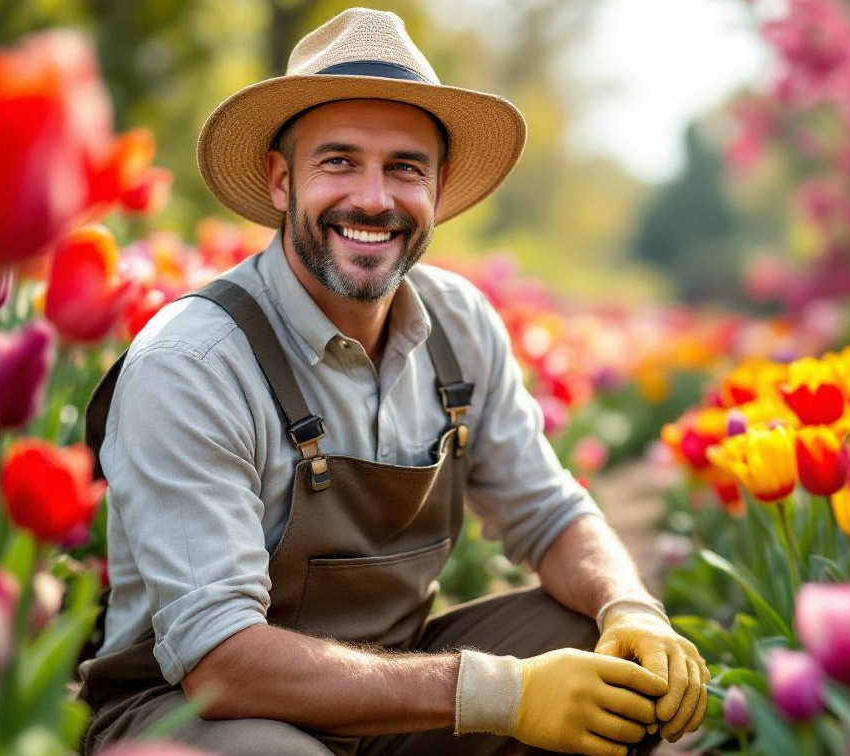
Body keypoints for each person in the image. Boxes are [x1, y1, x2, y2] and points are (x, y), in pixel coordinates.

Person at [75, 8, 708, 756]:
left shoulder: (461, 325)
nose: (373, 199)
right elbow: (222, 662)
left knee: (611, 668)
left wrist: (630, 607)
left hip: (391, 693)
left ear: (437, 187)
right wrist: (499, 695)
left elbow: (546, 510)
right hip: (194, 714)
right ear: (282, 180)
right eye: (338, 161)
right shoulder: (194, 364)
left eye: (405, 167)